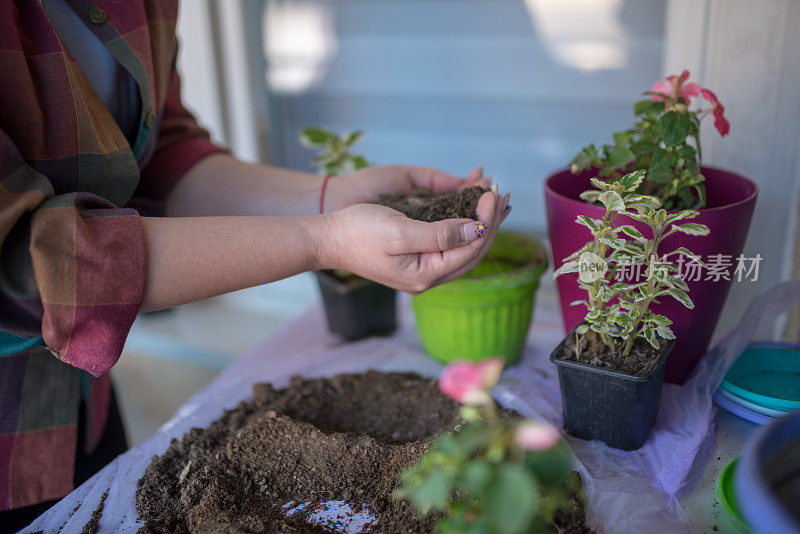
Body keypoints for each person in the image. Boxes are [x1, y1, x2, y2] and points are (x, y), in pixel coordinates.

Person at [0, 0, 508, 530]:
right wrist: (324, 240)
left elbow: (160, 154)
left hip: (79, 404)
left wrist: (331, 197)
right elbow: (29, 261)